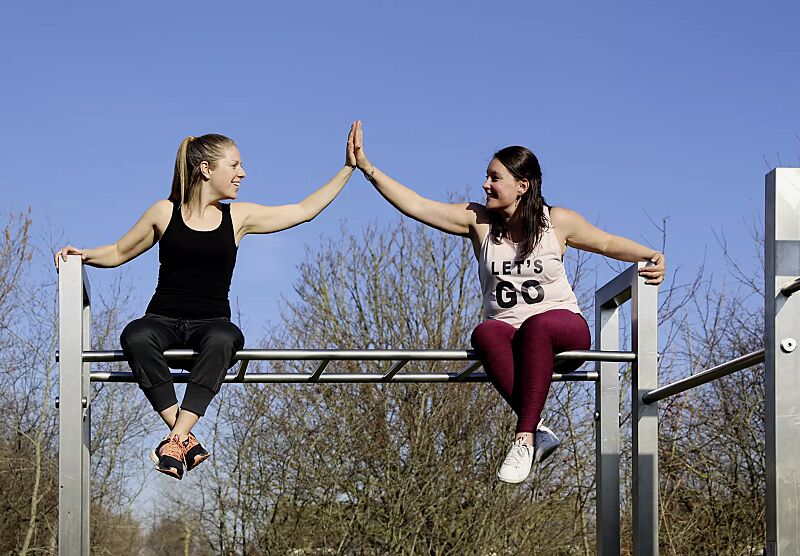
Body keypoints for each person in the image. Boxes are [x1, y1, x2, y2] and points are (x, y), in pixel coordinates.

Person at [351, 121, 665, 484]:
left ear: (522, 185)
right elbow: (417, 205)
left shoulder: (556, 221)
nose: (486, 184)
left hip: (563, 331)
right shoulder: (478, 222)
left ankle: (523, 438)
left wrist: (652, 253)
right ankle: (540, 431)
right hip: (511, 338)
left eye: (494, 177)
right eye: (486, 176)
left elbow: (607, 243)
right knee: (485, 333)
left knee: (537, 325)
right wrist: (367, 168)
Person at [55, 124, 359, 479]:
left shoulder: (239, 217)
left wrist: (347, 169)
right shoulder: (164, 212)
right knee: (136, 335)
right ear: (206, 169)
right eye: (235, 165)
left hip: (211, 322)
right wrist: (84, 254)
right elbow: (121, 250)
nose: (242, 173)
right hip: (163, 319)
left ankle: (175, 438)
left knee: (224, 339)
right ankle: (184, 437)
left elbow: (304, 210)